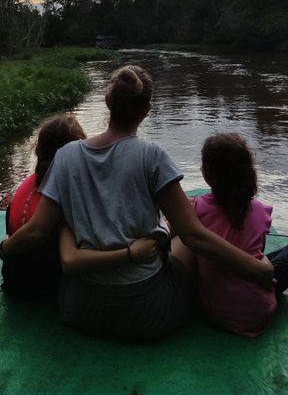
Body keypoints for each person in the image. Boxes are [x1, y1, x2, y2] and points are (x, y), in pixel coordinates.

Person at [0, 65, 274, 341]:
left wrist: (4, 247)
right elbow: (194, 236)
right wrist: (258, 270)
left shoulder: (66, 156)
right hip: (149, 314)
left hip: (79, 310)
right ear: (146, 110)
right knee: (189, 229)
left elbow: (36, 230)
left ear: (108, 102)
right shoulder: (152, 156)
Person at [190, 132, 287, 336]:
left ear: (207, 174)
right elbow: (257, 255)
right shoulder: (260, 211)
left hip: (213, 311)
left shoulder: (196, 209)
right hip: (258, 313)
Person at [1, 113, 86, 298]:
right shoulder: (63, 193)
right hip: (42, 283)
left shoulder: (29, 183)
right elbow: (36, 231)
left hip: (12, 275)